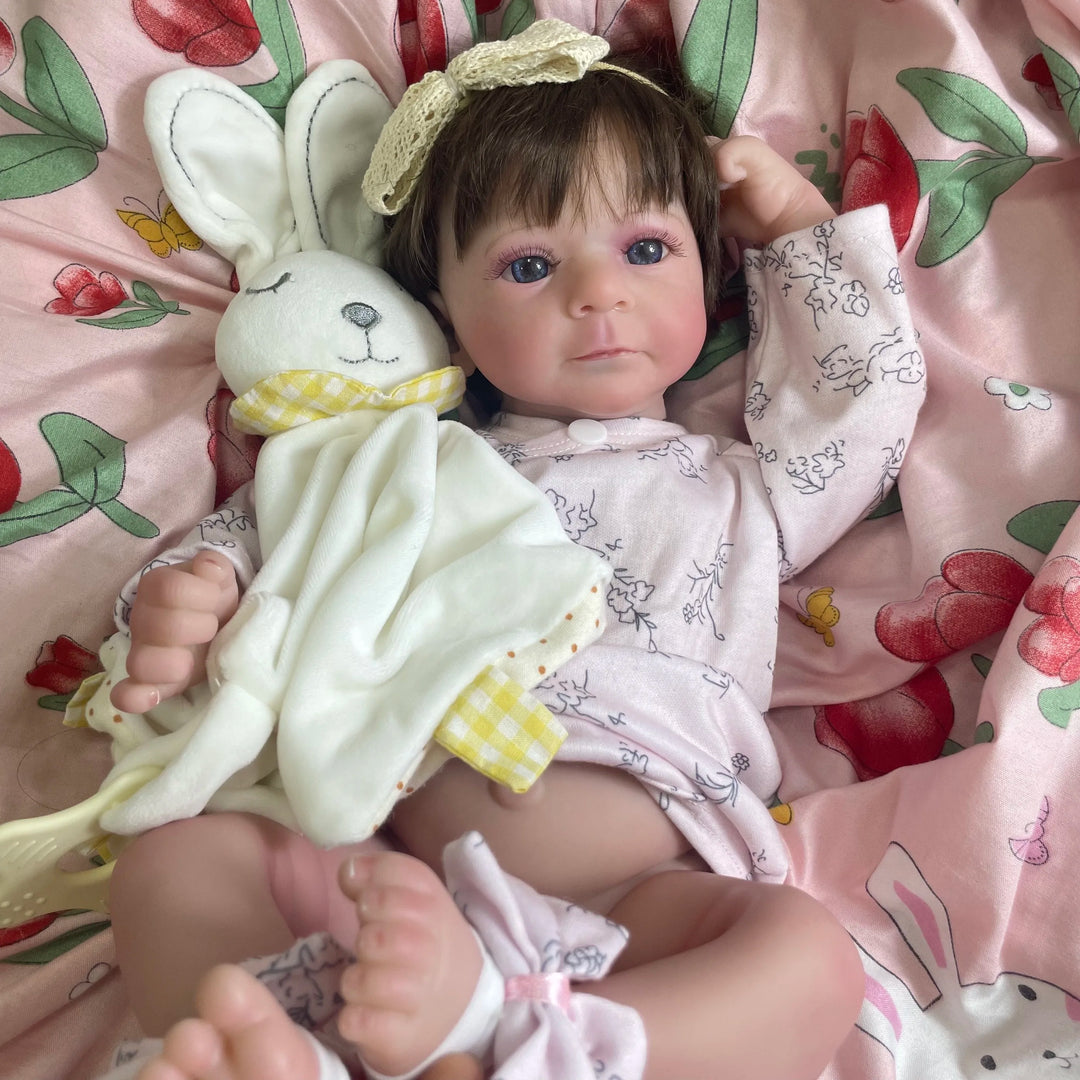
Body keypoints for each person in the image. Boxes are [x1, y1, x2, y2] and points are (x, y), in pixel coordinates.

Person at [103, 19, 924, 1080]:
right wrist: (196, 592)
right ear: (443, 312)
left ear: (709, 269)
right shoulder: (409, 460)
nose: (598, 292)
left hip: (638, 899)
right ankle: (283, 1048)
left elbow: (864, 403)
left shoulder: (741, 486)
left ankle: (532, 1045)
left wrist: (801, 232)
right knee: (177, 863)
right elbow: (285, 534)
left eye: (646, 250)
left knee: (807, 960)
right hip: (390, 880)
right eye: (530, 265)